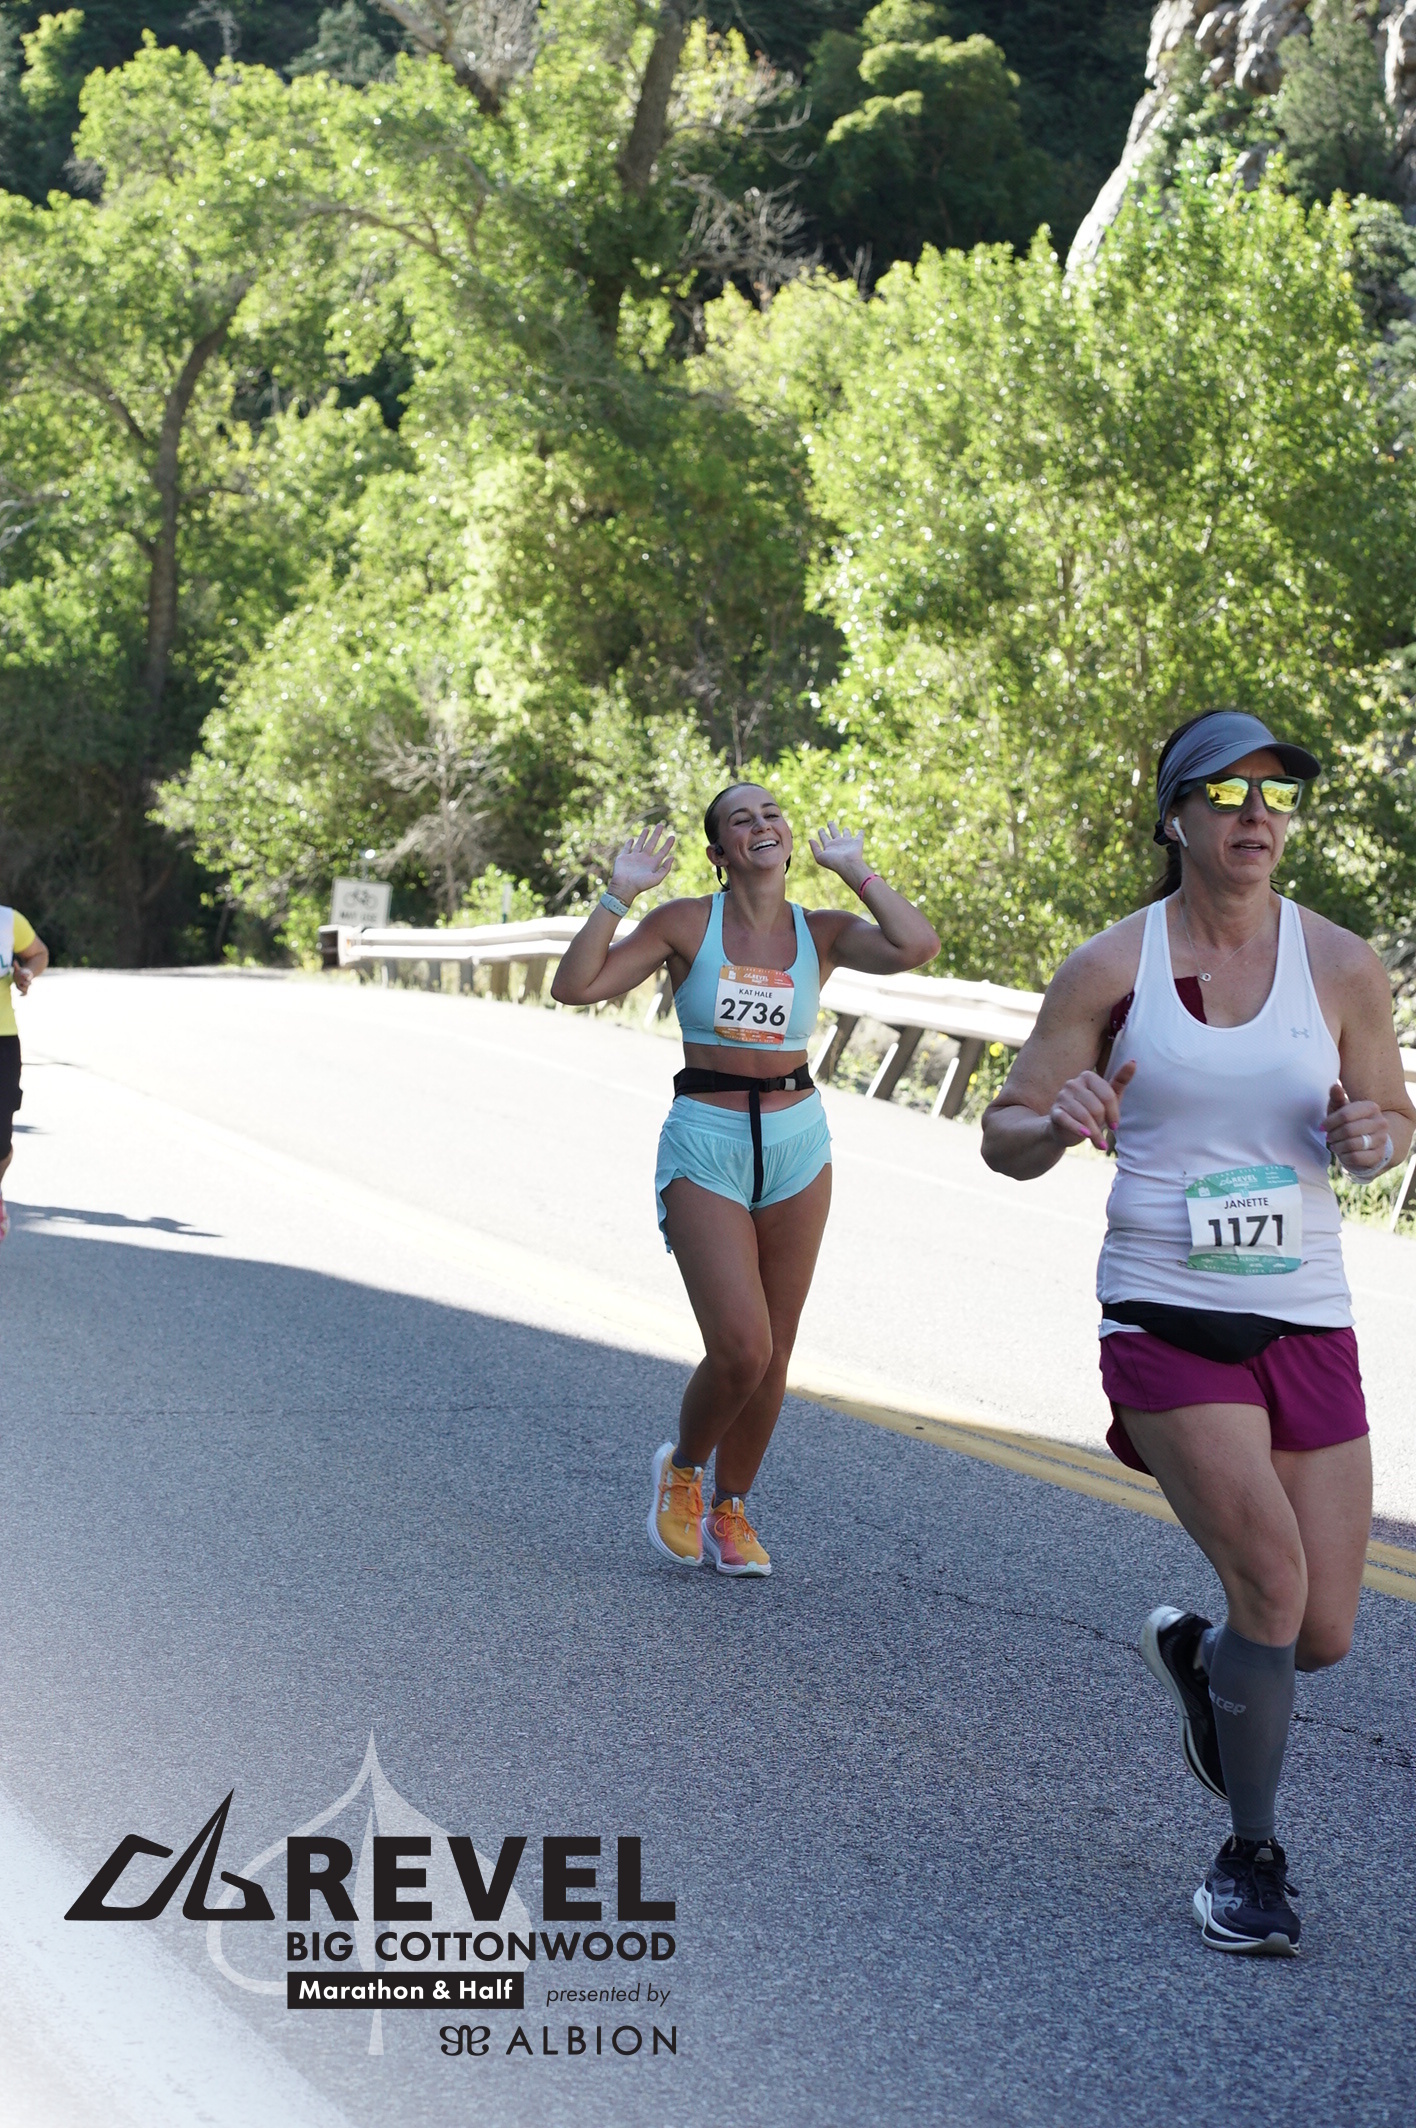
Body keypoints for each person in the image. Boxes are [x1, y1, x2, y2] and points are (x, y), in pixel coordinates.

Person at [980, 709, 1415, 1957]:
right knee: (1272, 1580)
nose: (1255, 815)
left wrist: (1378, 1136)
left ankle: (1199, 1656)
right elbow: (1004, 1136)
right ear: (1175, 816)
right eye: (1226, 793)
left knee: (1319, 1629)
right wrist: (1054, 1121)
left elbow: (1392, 1116)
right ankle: (1251, 1859)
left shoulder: (1342, 965)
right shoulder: (1110, 969)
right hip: (1167, 1310)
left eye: (1276, 795)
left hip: (1307, 1312)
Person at [552, 784, 939, 1576]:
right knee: (741, 1345)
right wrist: (618, 895)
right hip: (708, 1138)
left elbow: (916, 946)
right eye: (741, 820)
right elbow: (576, 986)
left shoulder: (821, 931)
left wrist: (857, 871)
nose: (761, 825)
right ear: (719, 853)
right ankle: (684, 1469)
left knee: (776, 1350)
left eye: (771, 815)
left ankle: (730, 1508)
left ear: (787, 839)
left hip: (798, 1140)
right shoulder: (683, 922)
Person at [0, 902, 48, 1242]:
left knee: (1, 1140)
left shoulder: (7, 920)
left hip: (2, 1039)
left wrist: (26, 974)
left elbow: (38, 953)